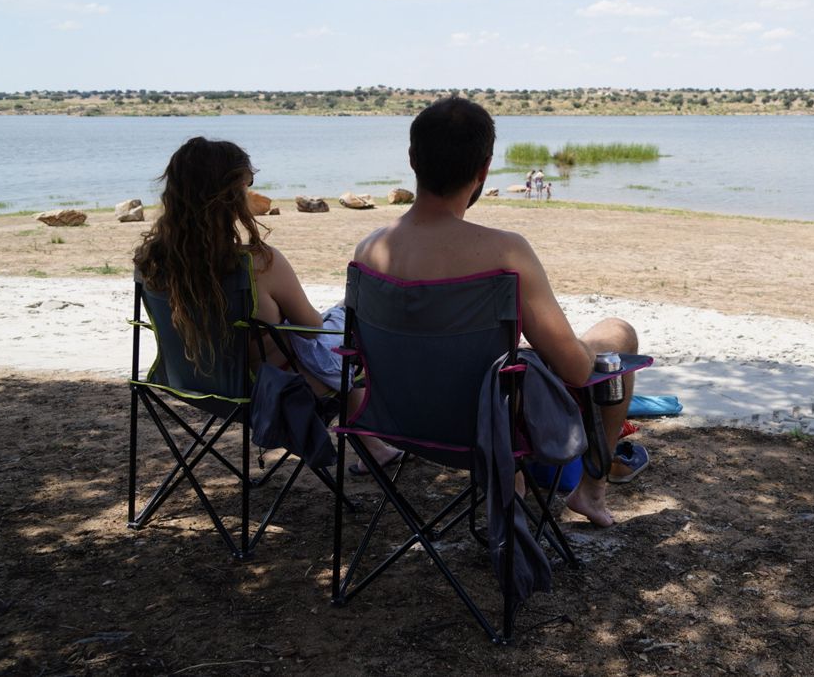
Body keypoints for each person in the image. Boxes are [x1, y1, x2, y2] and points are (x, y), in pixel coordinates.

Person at [353, 98, 639, 527]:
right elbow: (578, 371)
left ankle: (517, 483)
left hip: (399, 421)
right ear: (484, 169)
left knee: (504, 359)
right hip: (487, 427)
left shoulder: (369, 251)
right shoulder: (506, 251)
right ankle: (591, 491)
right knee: (618, 334)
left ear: (412, 159)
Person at [133, 137, 401, 470]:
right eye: (248, 186)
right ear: (229, 195)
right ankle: (378, 441)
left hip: (192, 383)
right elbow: (314, 329)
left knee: (316, 332)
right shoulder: (260, 264)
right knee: (350, 318)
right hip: (272, 390)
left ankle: (375, 447)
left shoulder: (151, 262)